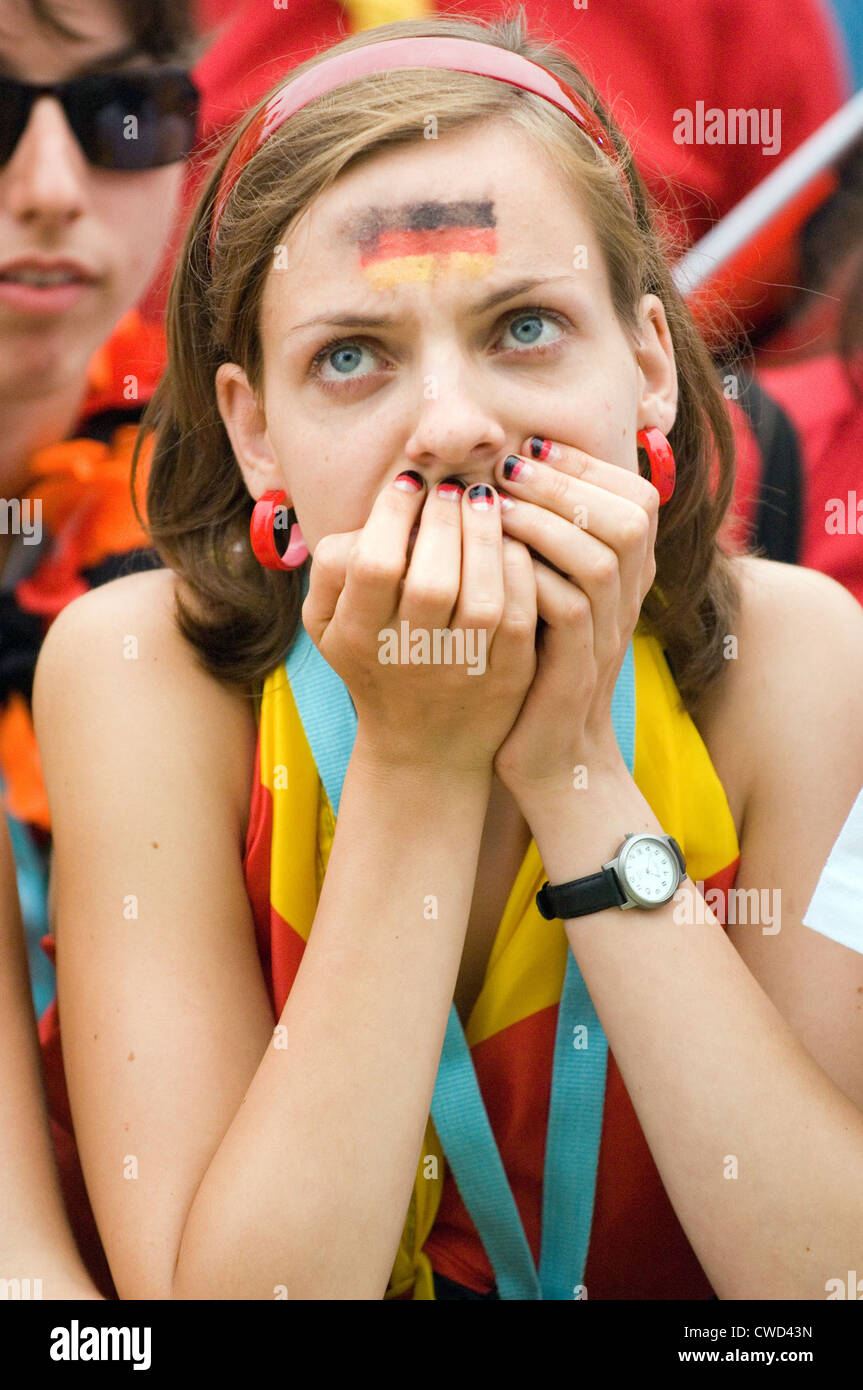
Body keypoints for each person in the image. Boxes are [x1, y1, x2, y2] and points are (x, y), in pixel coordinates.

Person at [33, 12, 863, 1300]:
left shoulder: (802, 656)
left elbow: (825, 1289)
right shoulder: (137, 674)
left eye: (524, 328)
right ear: (257, 438)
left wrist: (578, 769)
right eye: (352, 358)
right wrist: (419, 770)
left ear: (650, 365)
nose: (454, 425)